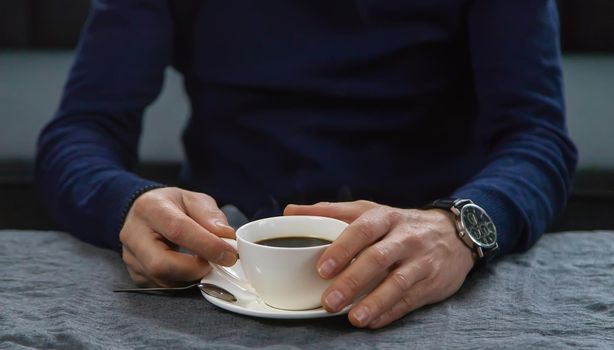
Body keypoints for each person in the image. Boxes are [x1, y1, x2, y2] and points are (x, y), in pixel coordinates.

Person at [36, 0, 577, 329]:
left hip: (422, 272)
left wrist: (458, 226)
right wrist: (127, 204)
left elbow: (537, 137)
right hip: (224, 269)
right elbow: (81, 129)